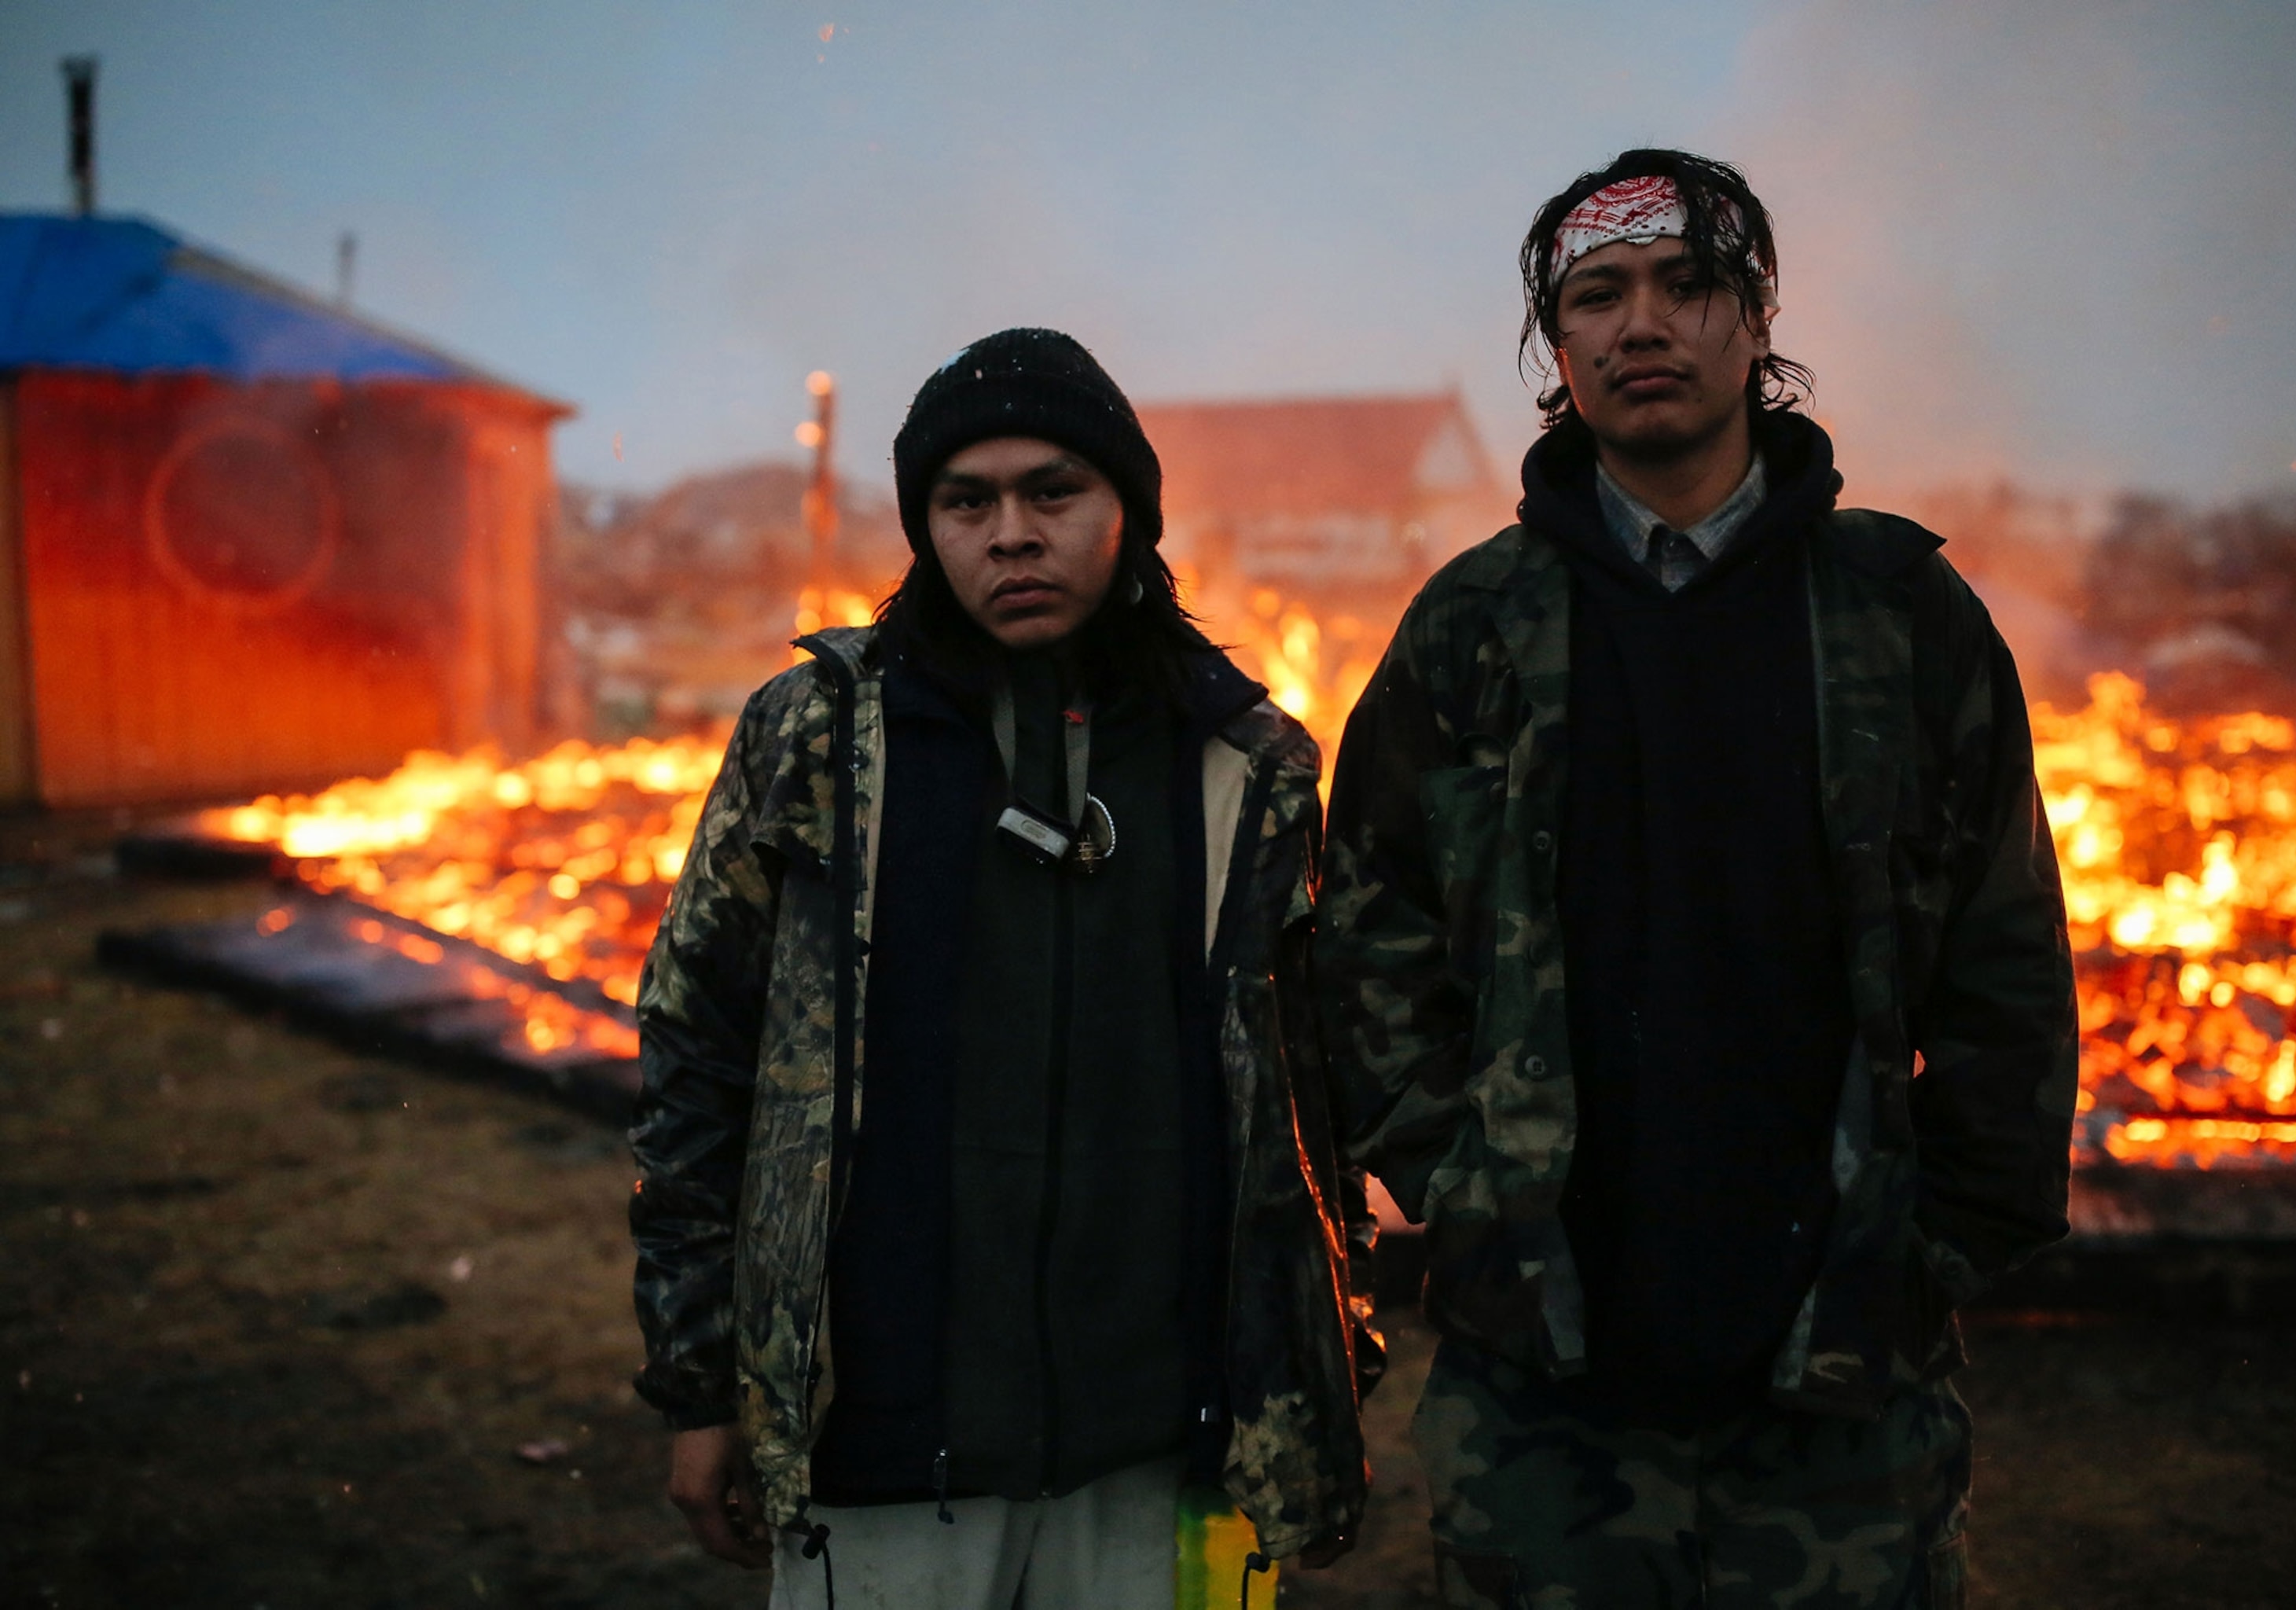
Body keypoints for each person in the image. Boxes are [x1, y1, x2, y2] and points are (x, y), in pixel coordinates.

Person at [1316, 149, 2079, 1609]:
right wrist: (1462, 1185)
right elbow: (1368, 933)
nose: (1640, 323)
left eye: (1686, 284)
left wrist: (1945, 1242)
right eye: (1595, 296)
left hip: (1842, 1368)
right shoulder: (1473, 626)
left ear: (1756, 318)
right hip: (1546, 1378)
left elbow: (2006, 949)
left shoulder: (1898, 615)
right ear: (1558, 349)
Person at [630, 328, 1373, 1608]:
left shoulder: (1245, 767)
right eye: (966, 502)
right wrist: (703, 1381)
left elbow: (1309, 1098)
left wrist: (1315, 1376)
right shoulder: (820, 741)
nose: (1011, 534)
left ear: (1126, 512)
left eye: (1053, 492)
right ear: (925, 528)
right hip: (881, 1446)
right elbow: (699, 1056)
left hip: (1173, 1454)